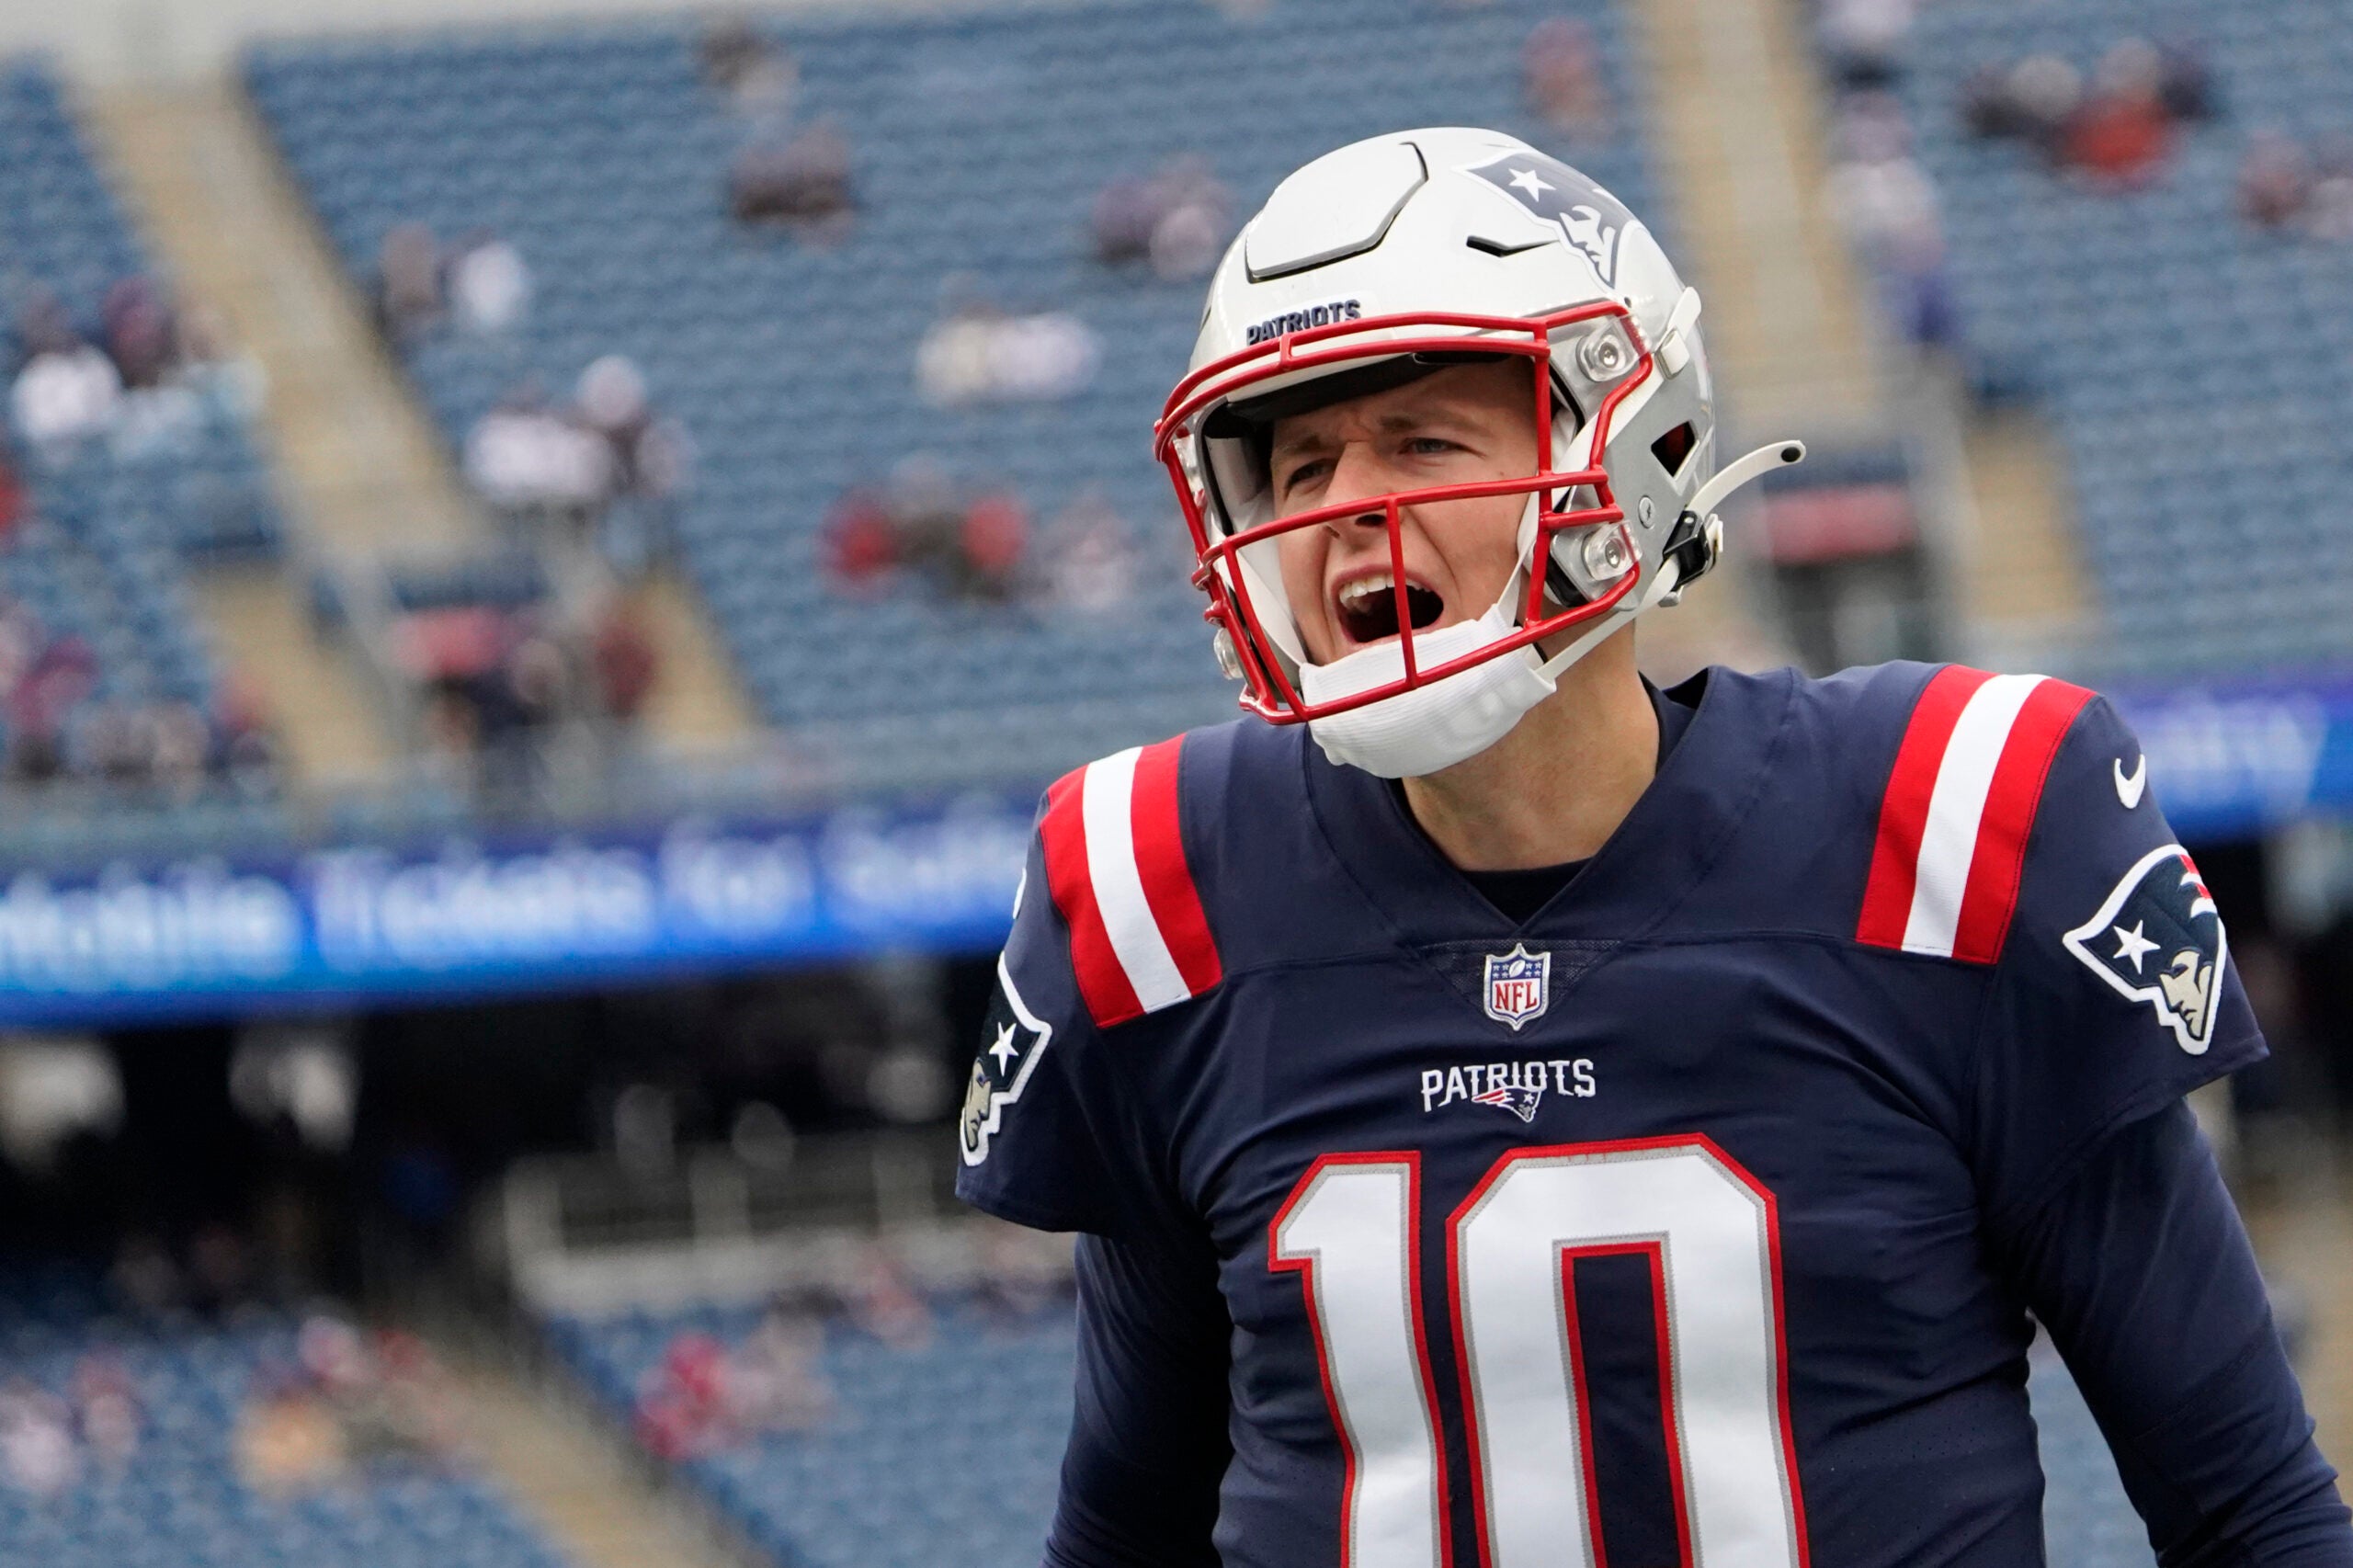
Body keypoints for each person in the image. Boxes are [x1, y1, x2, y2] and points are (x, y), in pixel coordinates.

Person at [952, 128, 2353, 1566]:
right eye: (1298, 463)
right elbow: (1122, 1534)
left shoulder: (1953, 826)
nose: (1340, 512)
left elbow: (2249, 1507)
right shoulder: (1155, 887)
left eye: (1423, 440)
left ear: (1632, 447)